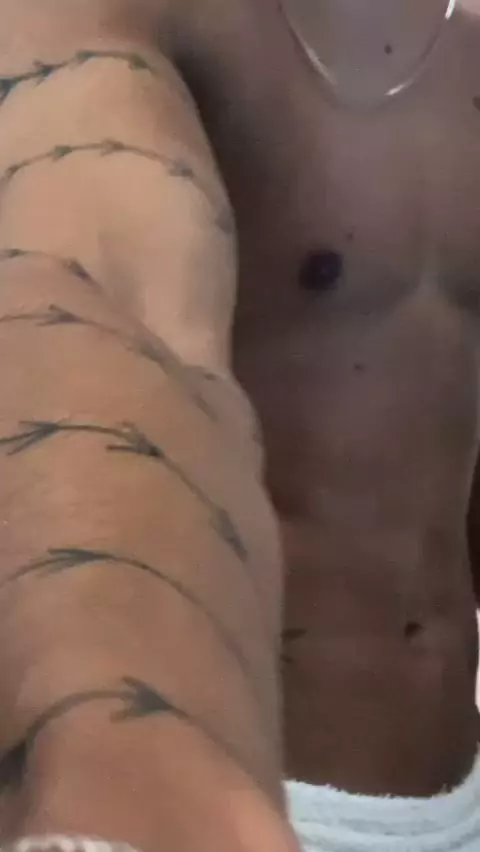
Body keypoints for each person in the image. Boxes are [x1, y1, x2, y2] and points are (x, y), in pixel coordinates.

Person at [0, 0, 479, 850]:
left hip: (457, 777)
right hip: (235, 793)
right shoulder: (108, 19)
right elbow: (101, 306)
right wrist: (119, 735)